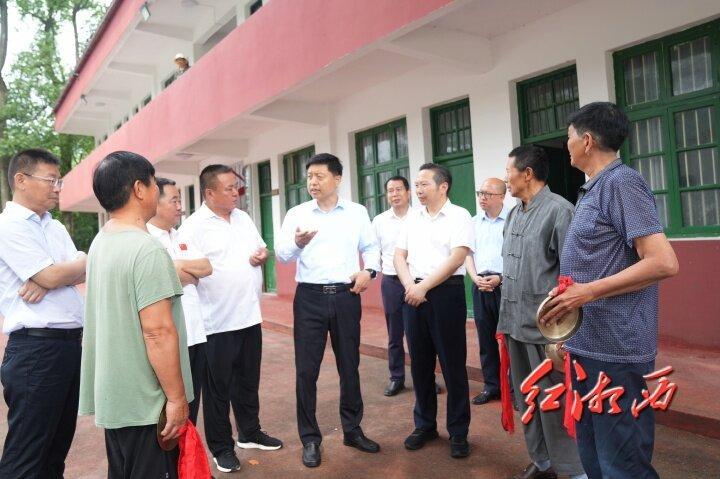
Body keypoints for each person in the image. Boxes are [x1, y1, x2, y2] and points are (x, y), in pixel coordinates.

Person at [539, 102, 679, 479]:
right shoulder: (593, 189)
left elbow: (663, 262)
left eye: (569, 138)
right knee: (594, 456)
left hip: (616, 349)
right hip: (589, 346)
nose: (566, 145)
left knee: (622, 462)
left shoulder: (622, 183)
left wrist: (587, 292)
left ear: (586, 141)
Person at [80, 151, 194, 479]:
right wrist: (176, 399)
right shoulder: (147, 249)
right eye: (154, 183)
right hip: (146, 402)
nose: (157, 190)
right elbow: (157, 332)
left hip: (117, 397)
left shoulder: (102, 240)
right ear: (139, 189)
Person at [275, 153, 381, 468]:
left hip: (347, 295)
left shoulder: (357, 213)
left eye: (319, 176)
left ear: (337, 178)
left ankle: (352, 429)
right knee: (306, 370)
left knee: (349, 365)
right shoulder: (297, 213)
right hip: (309, 298)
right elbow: (282, 255)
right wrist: (297, 243)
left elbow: (371, 248)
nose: (313, 182)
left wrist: (369, 271)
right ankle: (310, 438)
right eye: (309, 176)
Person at [179, 164, 282, 473]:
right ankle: (222, 447)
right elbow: (186, 269)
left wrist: (261, 256)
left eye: (236, 187)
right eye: (228, 188)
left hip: (248, 315)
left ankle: (250, 432)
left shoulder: (242, 218)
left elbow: (260, 248)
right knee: (218, 390)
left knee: (248, 381)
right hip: (216, 322)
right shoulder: (193, 227)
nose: (236, 193)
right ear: (209, 193)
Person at [497, 145, 586, 479]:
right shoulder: (513, 214)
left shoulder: (560, 211)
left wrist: (567, 335)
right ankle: (543, 461)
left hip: (547, 330)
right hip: (514, 323)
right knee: (527, 398)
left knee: (554, 400)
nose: (506, 178)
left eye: (508, 171)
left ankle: (574, 470)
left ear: (527, 174)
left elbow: (572, 276)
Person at [0, 149, 87, 479]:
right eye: (51, 180)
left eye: (58, 181)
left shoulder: (54, 226)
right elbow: (53, 275)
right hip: (35, 350)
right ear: (21, 180)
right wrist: (54, 275)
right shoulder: (9, 226)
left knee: (56, 450)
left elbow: (81, 267)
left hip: (68, 346)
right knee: (27, 455)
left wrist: (59, 273)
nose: (57, 188)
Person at [394, 163, 474, 459]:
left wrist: (423, 287)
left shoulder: (459, 216)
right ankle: (425, 425)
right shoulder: (412, 218)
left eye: (424, 184)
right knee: (420, 364)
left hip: (445, 294)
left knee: (453, 366)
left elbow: (457, 258)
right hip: (413, 294)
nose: (418, 189)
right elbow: (399, 256)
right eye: (416, 184)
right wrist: (410, 286)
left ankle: (458, 431)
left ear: (443, 186)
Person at [147, 177, 212, 424]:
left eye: (180, 200)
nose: (180, 207)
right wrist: (186, 274)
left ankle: (187, 450)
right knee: (169, 412)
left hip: (196, 335)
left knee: (191, 409)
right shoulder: (146, 239)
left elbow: (206, 267)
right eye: (174, 201)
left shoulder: (181, 236)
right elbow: (162, 276)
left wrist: (178, 265)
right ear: (156, 202)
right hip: (170, 339)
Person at [464, 178, 509, 406]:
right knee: (486, 339)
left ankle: (513, 388)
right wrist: (475, 278)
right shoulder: (473, 223)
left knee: (510, 339)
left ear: (502, 196)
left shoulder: (513, 220)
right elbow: (467, 254)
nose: (482, 197)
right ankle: (491, 386)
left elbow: (518, 256)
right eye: (480, 193)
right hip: (480, 284)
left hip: (506, 285)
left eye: (488, 194)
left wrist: (501, 278)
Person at [372, 175, 412, 396]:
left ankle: (425, 376)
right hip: (391, 282)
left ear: (408, 192)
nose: (394, 194)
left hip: (417, 281)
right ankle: (397, 377)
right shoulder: (380, 221)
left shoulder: (420, 217)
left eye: (399, 189)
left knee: (420, 333)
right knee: (394, 333)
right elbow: (373, 250)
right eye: (390, 190)